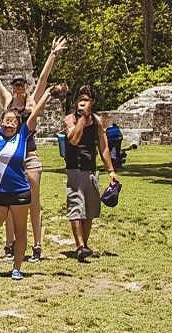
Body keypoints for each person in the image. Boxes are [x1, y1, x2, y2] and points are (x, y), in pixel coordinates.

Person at [0, 77, 57, 281]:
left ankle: (17, 267)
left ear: (19, 124)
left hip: (20, 192)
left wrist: (48, 93)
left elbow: (36, 112)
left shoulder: (22, 135)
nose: (9, 124)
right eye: (6, 121)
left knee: (21, 232)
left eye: (13, 122)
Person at [0, 34, 66, 263]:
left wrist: (53, 53)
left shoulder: (32, 102)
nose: (18, 87)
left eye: (21, 84)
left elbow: (43, 78)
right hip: (9, 159)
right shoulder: (8, 101)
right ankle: (10, 243)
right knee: (9, 203)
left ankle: (37, 245)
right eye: (16, 84)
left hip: (29, 157)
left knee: (33, 204)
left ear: (25, 86)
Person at [63, 85, 118, 261]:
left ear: (92, 102)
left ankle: (84, 245)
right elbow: (73, 140)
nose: (82, 103)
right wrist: (82, 118)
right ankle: (79, 245)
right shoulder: (70, 119)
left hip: (91, 169)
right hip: (75, 169)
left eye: (86, 100)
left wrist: (111, 170)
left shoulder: (97, 121)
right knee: (76, 207)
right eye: (80, 100)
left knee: (89, 210)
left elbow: (103, 147)